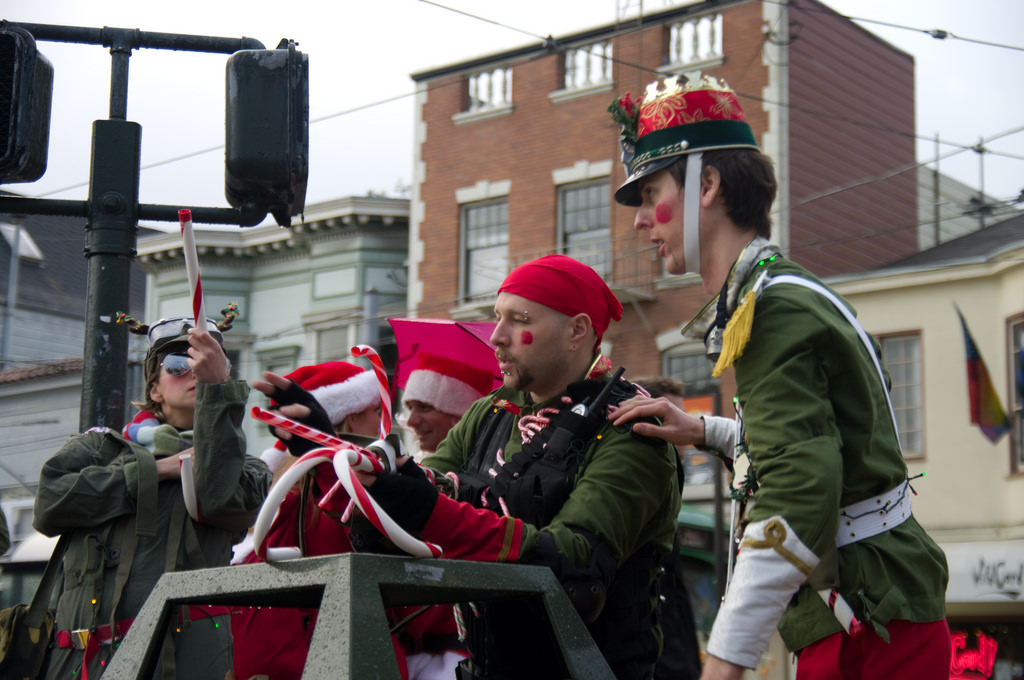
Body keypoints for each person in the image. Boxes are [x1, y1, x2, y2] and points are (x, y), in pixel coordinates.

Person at [608, 74, 950, 679]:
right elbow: (822, 443)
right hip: (871, 608)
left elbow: (799, 486)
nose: (640, 220)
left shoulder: (771, 307)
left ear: (707, 185)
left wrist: (723, 663)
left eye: (651, 190)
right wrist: (706, 431)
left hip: (866, 621)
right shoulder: (776, 291)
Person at [355, 254, 681, 680]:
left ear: (577, 331)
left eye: (519, 319)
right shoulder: (488, 413)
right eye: (497, 318)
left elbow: (575, 566)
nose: (496, 336)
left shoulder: (630, 427)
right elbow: (429, 490)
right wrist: (377, 482)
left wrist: (432, 512)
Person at [33, 312, 272, 680]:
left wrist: (219, 394)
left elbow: (220, 500)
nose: (192, 371)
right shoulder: (100, 447)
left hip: (177, 665)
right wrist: (153, 471)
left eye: (204, 363)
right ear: (154, 388)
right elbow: (49, 504)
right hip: (77, 666)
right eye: (178, 364)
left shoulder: (248, 470)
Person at [232, 360, 383, 680]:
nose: (383, 424)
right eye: (376, 413)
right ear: (353, 417)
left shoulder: (278, 488)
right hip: (331, 659)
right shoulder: (335, 493)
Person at [631, 376, 702, 680]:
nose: (682, 426)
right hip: (663, 644)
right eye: (673, 416)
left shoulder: (670, 472)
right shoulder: (658, 467)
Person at [398, 351, 494, 457]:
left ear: (461, 415)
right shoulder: (415, 465)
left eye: (424, 407)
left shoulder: (490, 469)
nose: (411, 422)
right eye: (410, 408)